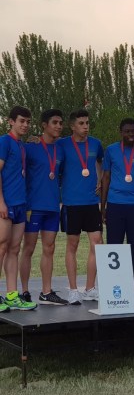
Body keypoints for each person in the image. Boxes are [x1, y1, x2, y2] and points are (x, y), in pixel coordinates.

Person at [101, 118, 134, 304]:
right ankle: (113, 288)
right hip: (115, 204)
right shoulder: (111, 150)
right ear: (121, 132)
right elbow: (106, 178)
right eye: (127, 131)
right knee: (114, 248)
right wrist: (103, 207)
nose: (131, 135)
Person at [19, 109, 68, 305]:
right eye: (54, 122)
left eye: (60, 123)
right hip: (33, 206)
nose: (58, 126)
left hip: (53, 207)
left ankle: (46, 292)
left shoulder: (60, 149)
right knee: (28, 248)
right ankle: (24, 291)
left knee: (49, 248)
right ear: (44, 125)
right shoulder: (30, 147)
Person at [59, 109, 103, 305]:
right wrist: (35, 140)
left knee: (97, 243)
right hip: (71, 202)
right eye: (81, 123)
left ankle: (90, 288)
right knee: (73, 245)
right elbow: (47, 146)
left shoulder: (96, 144)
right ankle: (73, 290)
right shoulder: (62, 144)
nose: (86, 127)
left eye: (87, 123)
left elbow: (99, 162)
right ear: (72, 126)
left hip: (92, 202)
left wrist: (100, 179)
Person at [0, 106, 37, 311]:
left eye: (28, 122)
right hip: (6, 203)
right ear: (11, 121)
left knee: (14, 249)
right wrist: (1, 202)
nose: (25, 125)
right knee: (1, 246)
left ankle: (12, 295)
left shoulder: (22, 145)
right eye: (21, 121)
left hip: (21, 204)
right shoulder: (4, 142)